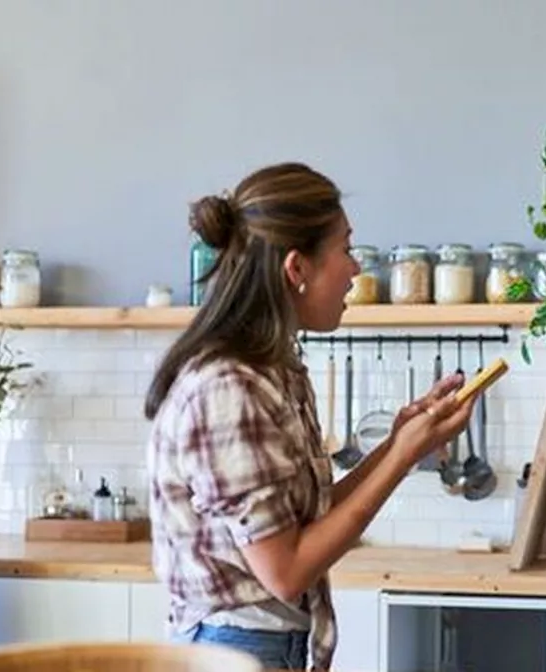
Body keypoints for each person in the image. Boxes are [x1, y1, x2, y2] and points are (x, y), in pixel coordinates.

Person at [144, 162, 474, 671]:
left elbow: (306, 523)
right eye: (345, 249)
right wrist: (403, 453)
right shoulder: (230, 388)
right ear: (297, 269)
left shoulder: (275, 370)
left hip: (268, 645)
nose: (356, 269)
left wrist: (399, 444)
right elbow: (287, 570)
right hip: (233, 648)